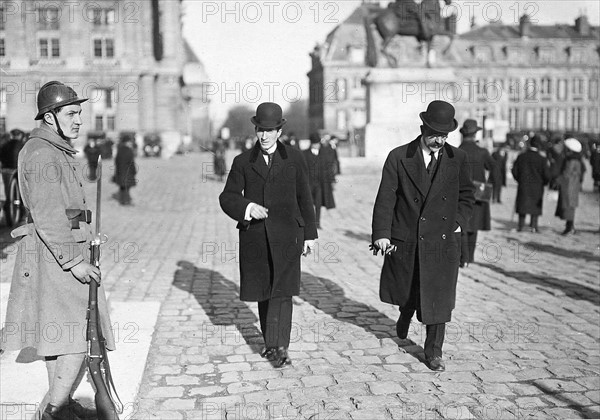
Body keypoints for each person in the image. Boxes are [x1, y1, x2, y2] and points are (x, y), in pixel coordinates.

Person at [0, 81, 115, 420]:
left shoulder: (52, 149)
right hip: (56, 259)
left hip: (56, 253)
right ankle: (51, 410)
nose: (79, 120)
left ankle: (61, 405)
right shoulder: (42, 153)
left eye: (79, 112)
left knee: (60, 336)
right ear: (50, 118)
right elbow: (49, 216)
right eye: (71, 113)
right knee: (79, 334)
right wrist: (75, 261)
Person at [371, 100, 475, 372]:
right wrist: (382, 234)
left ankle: (434, 351)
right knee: (409, 287)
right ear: (422, 129)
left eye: (444, 135)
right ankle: (405, 311)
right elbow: (385, 198)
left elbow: (467, 196)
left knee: (439, 297)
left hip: (442, 240)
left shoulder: (459, 159)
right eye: (434, 134)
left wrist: (457, 223)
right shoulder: (398, 157)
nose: (439, 140)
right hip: (407, 237)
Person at [219, 102, 317, 368]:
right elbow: (227, 197)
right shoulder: (242, 162)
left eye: (270, 130)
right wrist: (248, 208)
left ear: (279, 131)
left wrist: (310, 234)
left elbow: (305, 197)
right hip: (257, 238)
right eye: (260, 130)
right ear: (256, 129)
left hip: (288, 236)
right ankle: (270, 343)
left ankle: (280, 346)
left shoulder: (295, 158)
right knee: (265, 292)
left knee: (282, 292)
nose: (264, 136)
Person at [458, 119, 498, 266]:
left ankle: (463, 257)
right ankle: (470, 258)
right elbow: (494, 168)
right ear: (475, 134)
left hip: (460, 193)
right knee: (473, 226)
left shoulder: (457, 150)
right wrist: (488, 185)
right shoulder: (482, 152)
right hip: (478, 194)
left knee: (462, 224)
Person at [511, 134, 551, 233]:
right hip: (537, 186)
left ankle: (520, 226)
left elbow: (514, 171)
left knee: (522, 205)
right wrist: (544, 183)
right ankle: (534, 226)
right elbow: (547, 175)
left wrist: (519, 179)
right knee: (535, 208)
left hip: (523, 185)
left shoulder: (521, 156)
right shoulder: (542, 159)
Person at [302, 133, 337, 229]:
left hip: (320, 184)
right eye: (314, 143)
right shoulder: (304, 154)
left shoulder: (323, 154)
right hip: (308, 183)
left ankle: (317, 223)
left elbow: (329, 168)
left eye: (317, 143)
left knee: (318, 203)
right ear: (311, 143)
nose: (316, 145)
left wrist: (332, 180)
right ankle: (308, 222)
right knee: (308, 203)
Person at [555, 138, 586, 235]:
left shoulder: (571, 160)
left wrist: (556, 181)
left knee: (568, 207)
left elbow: (566, 173)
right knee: (570, 207)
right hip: (573, 186)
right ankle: (570, 226)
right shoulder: (577, 159)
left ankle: (569, 228)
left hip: (568, 186)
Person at [113, 134, 137, 205]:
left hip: (120, 172)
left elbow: (116, 161)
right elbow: (131, 163)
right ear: (127, 142)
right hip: (128, 172)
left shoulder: (119, 150)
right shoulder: (129, 151)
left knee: (122, 187)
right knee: (127, 187)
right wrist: (134, 171)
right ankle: (126, 201)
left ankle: (122, 200)